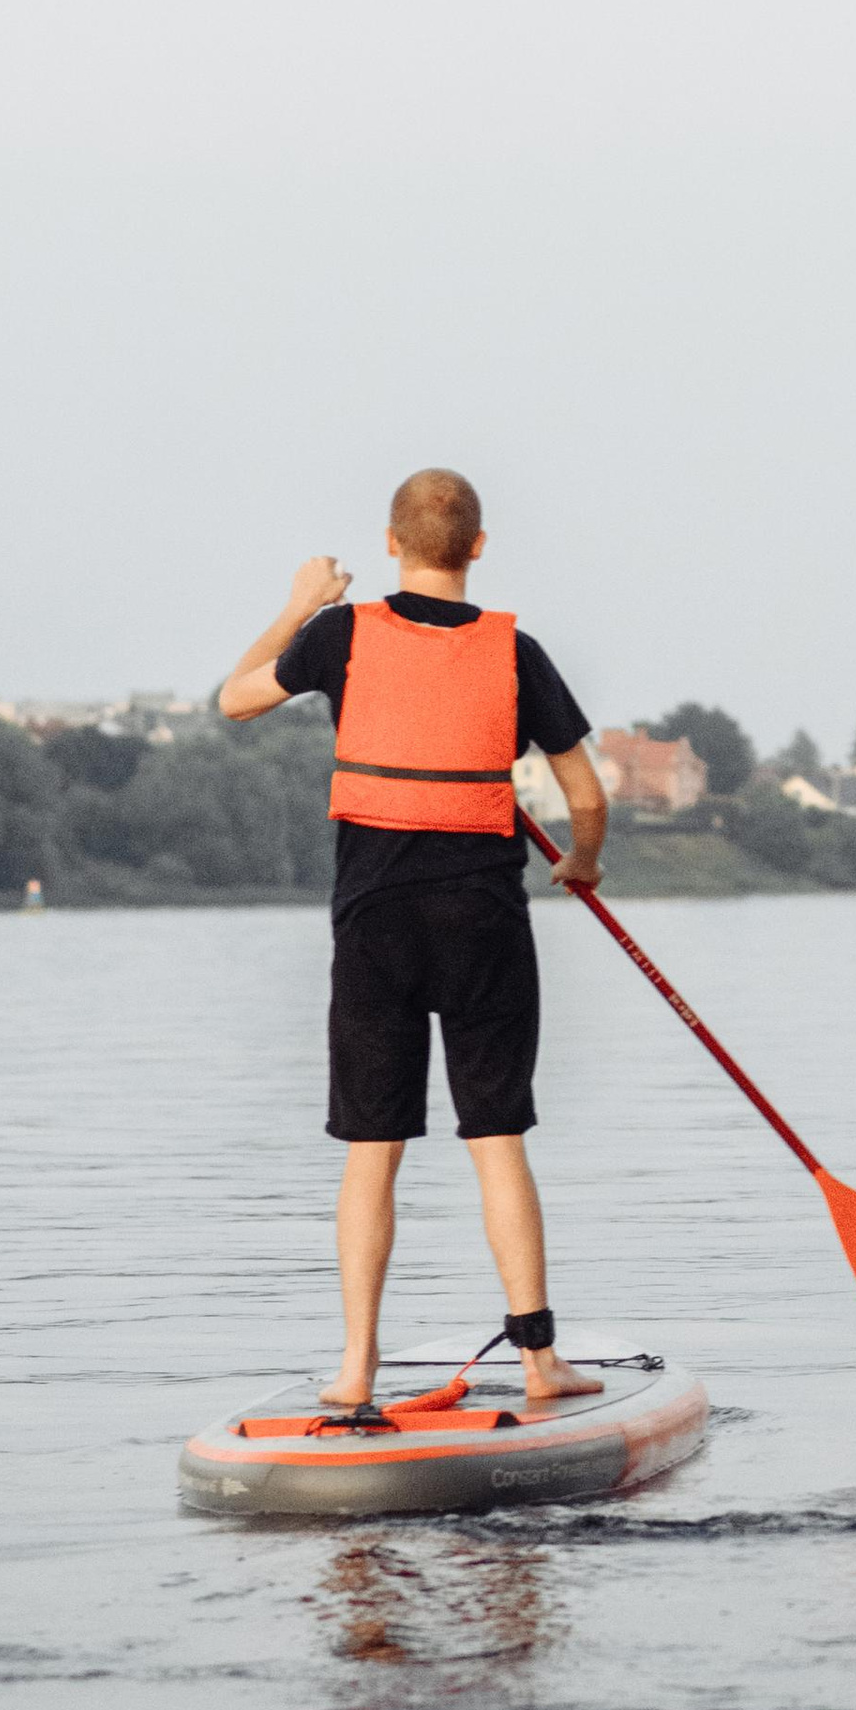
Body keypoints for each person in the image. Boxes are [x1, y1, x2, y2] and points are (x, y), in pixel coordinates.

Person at [218, 467, 611, 1413]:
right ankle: (539, 1361)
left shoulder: (340, 635)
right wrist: (581, 862)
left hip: (375, 927)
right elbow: (587, 797)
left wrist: (302, 604)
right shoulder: (516, 652)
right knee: (497, 1138)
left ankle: (356, 1368)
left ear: (392, 544)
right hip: (484, 925)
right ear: (477, 547)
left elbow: (235, 699)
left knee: (372, 1148)